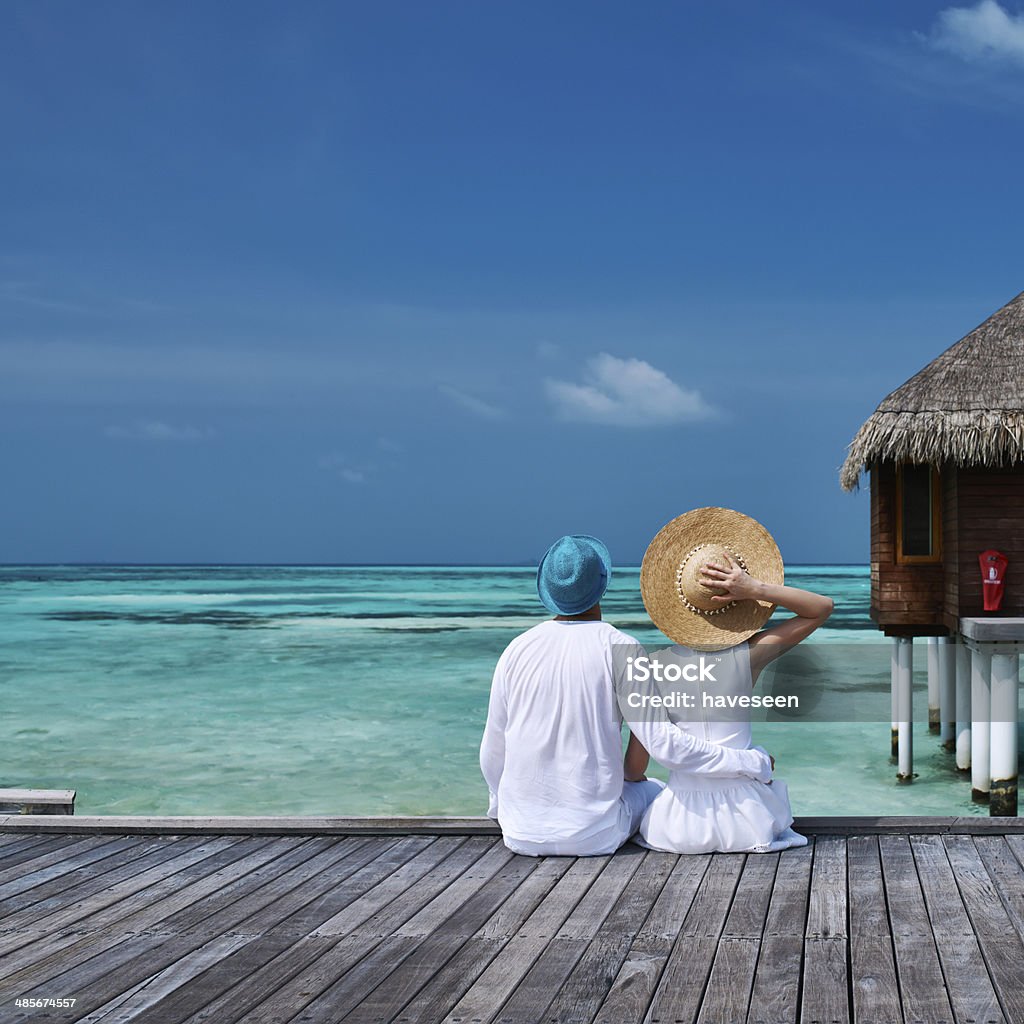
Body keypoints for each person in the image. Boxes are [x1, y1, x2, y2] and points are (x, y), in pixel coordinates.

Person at [479, 533, 775, 857]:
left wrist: (500, 808)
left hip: (518, 834)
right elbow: (665, 746)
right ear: (602, 587)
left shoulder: (516, 650)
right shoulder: (621, 647)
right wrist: (751, 761)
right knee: (657, 792)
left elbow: (493, 751)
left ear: (548, 592)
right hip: (594, 836)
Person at [629, 507, 833, 854]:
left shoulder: (651, 668)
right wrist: (755, 587)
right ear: (734, 602)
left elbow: (635, 769)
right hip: (748, 820)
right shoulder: (748, 656)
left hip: (679, 827)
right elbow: (821, 608)